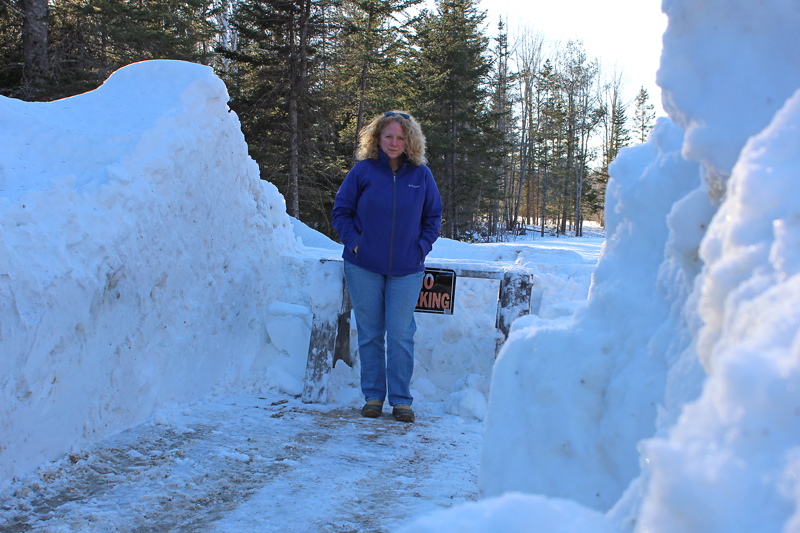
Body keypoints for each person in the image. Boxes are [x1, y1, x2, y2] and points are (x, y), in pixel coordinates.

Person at [332, 111, 442, 423]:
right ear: (377, 139)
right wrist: (356, 243)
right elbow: (341, 210)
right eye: (388, 136)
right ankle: (373, 396)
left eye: (400, 137)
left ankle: (401, 400)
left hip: (407, 268)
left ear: (410, 141)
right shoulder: (363, 172)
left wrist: (420, 248)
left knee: (400, 333)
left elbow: (433, 217)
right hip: (363, 265)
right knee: (369, 332)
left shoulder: (421, 176)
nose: (394, 143)